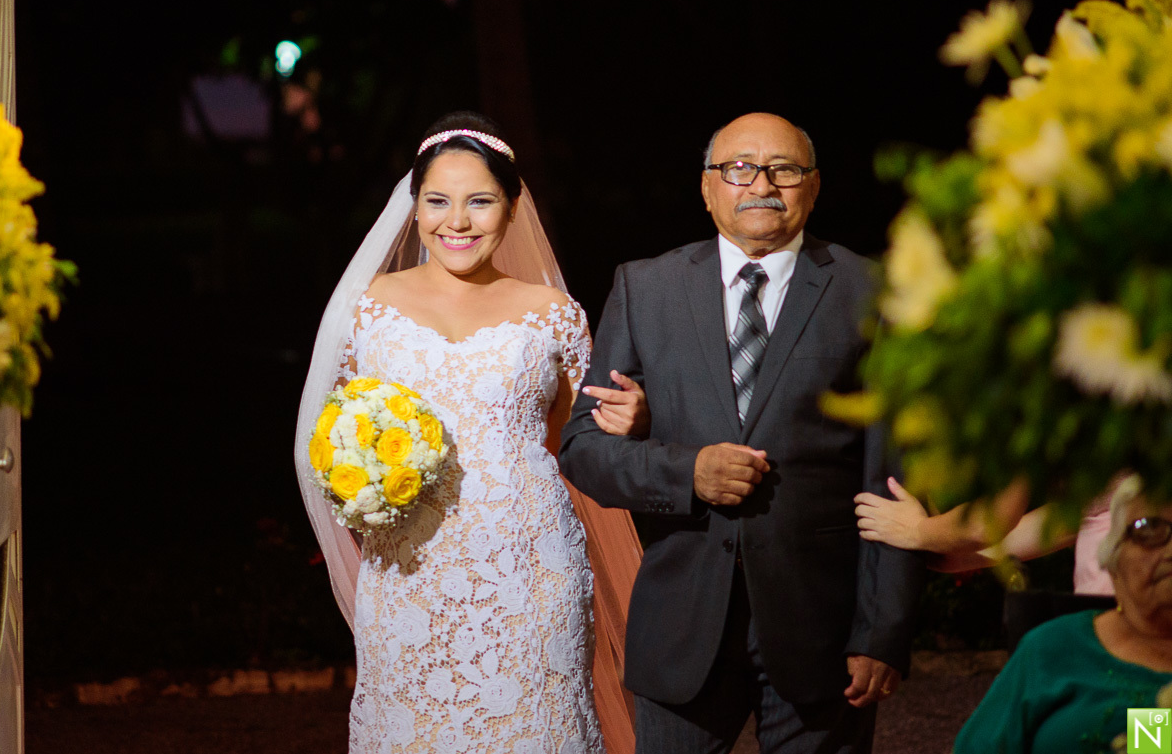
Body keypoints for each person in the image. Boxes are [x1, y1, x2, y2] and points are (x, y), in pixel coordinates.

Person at [559, 112, 924, 754]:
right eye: (738, 169)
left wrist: (882, 631)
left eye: (784, 170)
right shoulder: (646, 288)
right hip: (681, 628)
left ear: (813, 187)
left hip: (822, 631)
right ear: (707, 188)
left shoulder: (871, 292)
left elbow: (892, 477)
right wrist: (687, 473)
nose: (761, 184)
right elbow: (585, 449)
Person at [293, 112, 644, 753]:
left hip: (532, 569)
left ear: (512, 208)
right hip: (409, 570)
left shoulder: (552, 314)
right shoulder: (367, 310)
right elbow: (329, 437)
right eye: (438, 201)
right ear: (415, 207)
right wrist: (366, 495)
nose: (457, 222)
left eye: (480, 201)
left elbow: (582, 442)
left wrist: (631, 421)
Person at [954, 476, 1172, 753]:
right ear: (1112, 557)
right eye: (1149, 529)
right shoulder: (1052, 650)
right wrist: (926, 539)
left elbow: (1148, 740)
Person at [855, 475, 1118, 594]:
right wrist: (950, 553)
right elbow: (1077, 520)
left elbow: (990, 520)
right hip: (1110, 646)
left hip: (1145, 647)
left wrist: (918, 530)